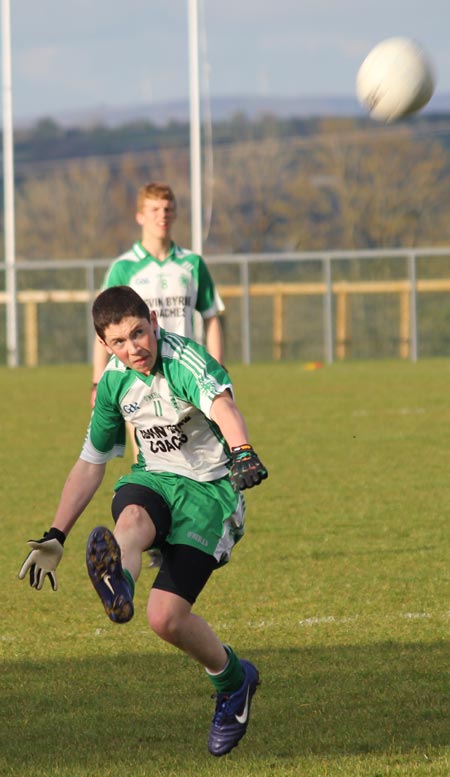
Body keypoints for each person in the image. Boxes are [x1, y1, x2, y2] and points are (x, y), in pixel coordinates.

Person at [19, 285, 268, 758]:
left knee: (166, 619)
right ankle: (120, 586)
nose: (134, 348)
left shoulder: (184, 360)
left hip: (210, 491)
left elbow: (223, 406)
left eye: (138, 333)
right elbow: (91, 462)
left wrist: (243, 452)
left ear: (153, 320)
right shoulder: (114, 383)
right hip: (153, 479)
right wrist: (57, 533)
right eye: (119, 341)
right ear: (105, 346)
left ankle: (235, 683)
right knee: (131, 515)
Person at [92, 181, 225, 406]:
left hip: (184, 368)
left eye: (168, 209)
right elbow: (105, 329)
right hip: (138, 370)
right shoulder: (123, 267)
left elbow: (211, 316)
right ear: (140, 216)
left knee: (193, 437)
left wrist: (218, 368)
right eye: (154, 209)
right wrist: (97, 383)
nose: (162, 215)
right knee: (145, 439)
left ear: (174, 214)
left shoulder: (192, 263)